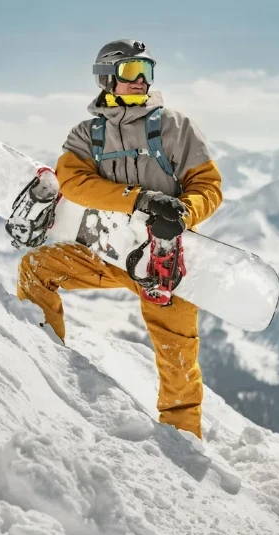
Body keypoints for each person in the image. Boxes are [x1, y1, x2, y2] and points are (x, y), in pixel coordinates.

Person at [17, 39, 222, 439]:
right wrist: (139, 200)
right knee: (36, 270)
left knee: (177, 354)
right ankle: (40, 367)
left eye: (147, 71)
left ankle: (183, 439)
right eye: (131, 72)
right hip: (105, 252)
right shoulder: (86, 135)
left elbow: (209, 186)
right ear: (107, 78)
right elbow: (73, 183)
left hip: (164, 261)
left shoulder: (175, 128)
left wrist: (183, 212)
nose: (141, 80)